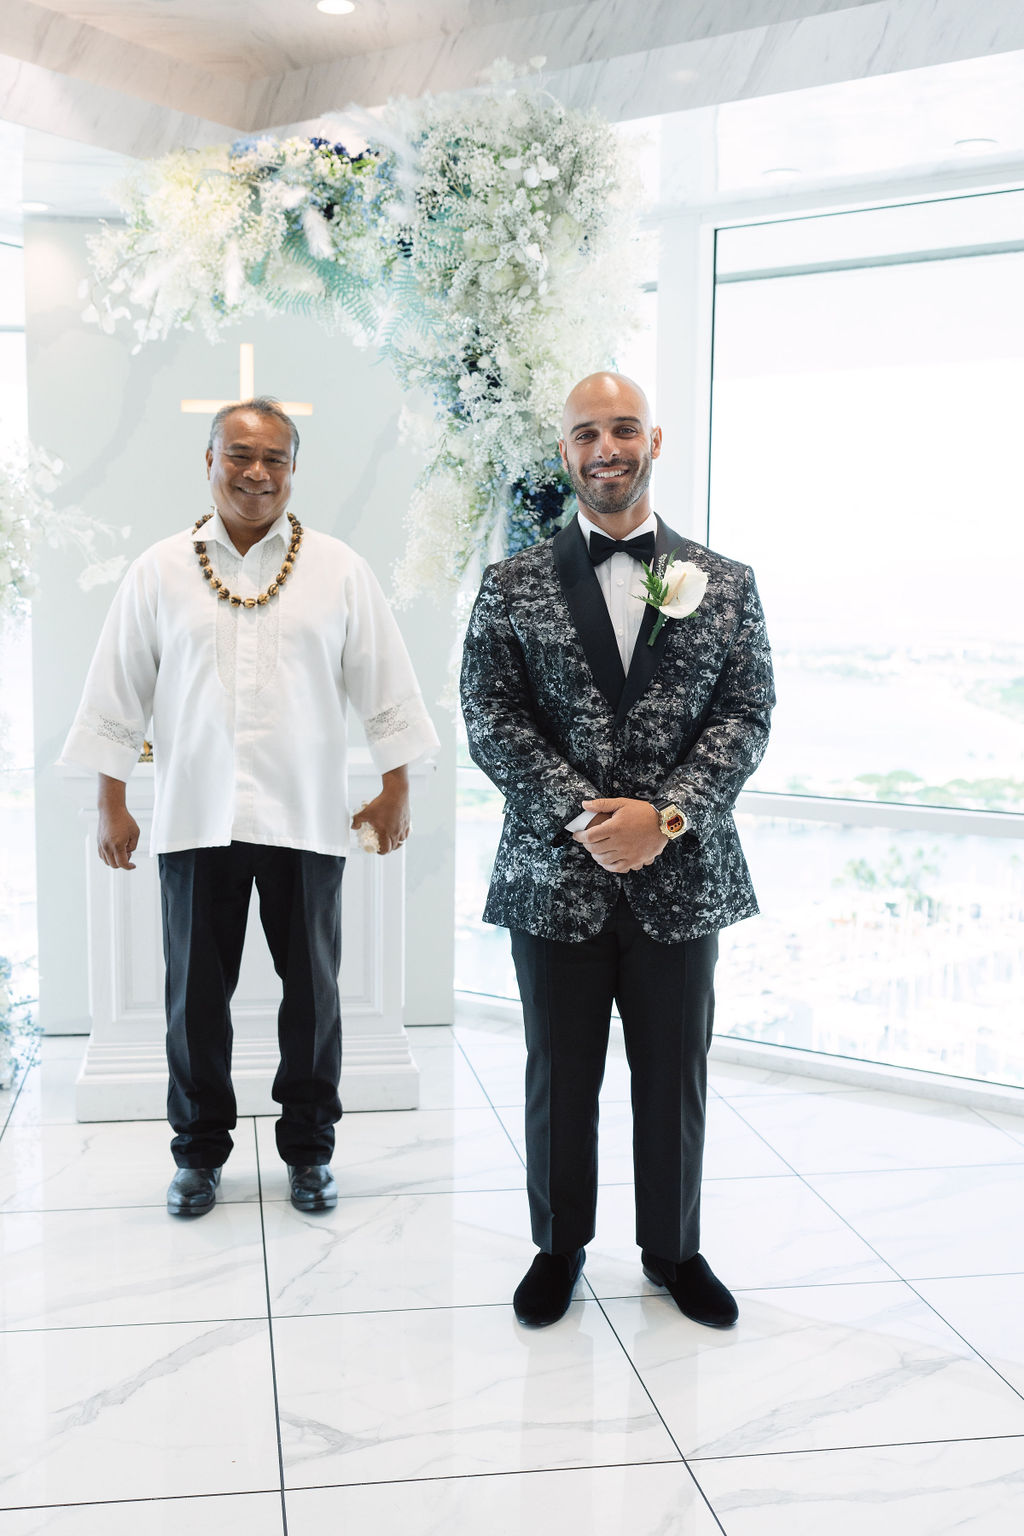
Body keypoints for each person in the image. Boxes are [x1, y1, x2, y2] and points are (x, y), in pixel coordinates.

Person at [62, 397, 439, 1219]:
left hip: (305, 819)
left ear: (294, 470)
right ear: (209, 461)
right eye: (239, 454)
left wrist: (397, 782)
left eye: (273, 458)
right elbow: (116, 689)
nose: (256, 472)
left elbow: (385, 677)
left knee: (314, 998)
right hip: (195, 817)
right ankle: (197, 1154)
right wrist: (112, 801)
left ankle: (309, 1152)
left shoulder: (337, 567)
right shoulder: (161, 570)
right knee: (194, 1001)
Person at [460, 372, 774, 1328]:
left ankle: (674, 1251)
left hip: (684, 879)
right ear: (566, 452)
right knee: (559, 1072)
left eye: (624, 428)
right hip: (555, 877)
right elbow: (490, 717)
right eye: (587, 432)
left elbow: (746, 715)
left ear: (655, 441)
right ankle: (558, 1247)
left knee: (674, 1073)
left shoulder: (725, 584)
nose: (607, 447)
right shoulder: (511, 584)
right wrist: (591, 819)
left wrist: (666, 817)